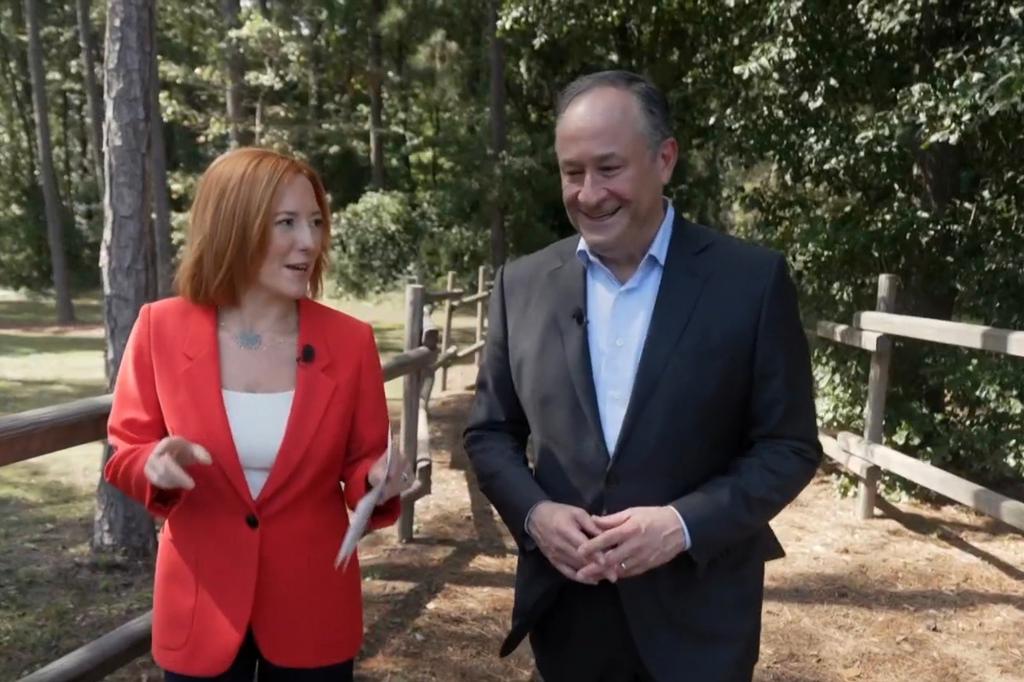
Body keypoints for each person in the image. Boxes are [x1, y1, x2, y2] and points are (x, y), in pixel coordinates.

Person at [464, 70, 822, 682]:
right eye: (571, 172)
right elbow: (490, 433)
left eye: (609, 168)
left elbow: (788, 447)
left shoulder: (751, 283)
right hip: (568, 613)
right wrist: (535, 516)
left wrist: (681, 526)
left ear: (665, 160)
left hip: (700, 616)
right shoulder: (520, 285)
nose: (588, 193)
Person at [104, 147, 410, 681]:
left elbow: (365, 461)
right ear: (233, 226)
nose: (309, 243)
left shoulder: (351, 341)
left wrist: (380, 480)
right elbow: (125, 449)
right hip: (200, 605)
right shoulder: (159, 328)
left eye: (315, 222)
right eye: (286, 223)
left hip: (314, 608)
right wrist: (152, 462)